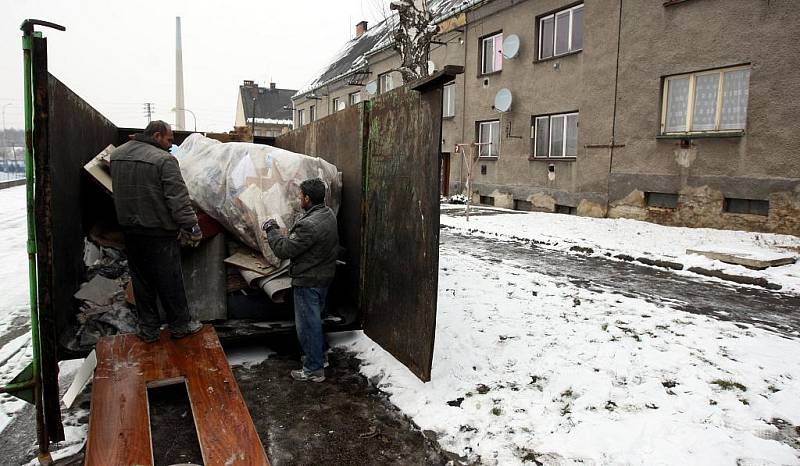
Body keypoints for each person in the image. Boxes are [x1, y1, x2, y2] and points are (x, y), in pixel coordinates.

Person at [110, 120, 203, 343]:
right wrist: (192, 227)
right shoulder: (164, 160)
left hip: (130, 231)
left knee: (141, 282)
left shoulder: (117, 155)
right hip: (159, 232)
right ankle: (180, 326)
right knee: (170, 282)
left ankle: (148, 330)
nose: (171, 145)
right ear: (157, 136)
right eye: (169, 140)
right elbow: (178, 200)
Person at [263, 178, 338, 382]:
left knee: (308, 325)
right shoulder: (328, 214)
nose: (298, 199)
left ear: (307, 198)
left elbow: (283, 250)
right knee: (315, 320)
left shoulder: (309, 225)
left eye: (300, 196)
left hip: (308, 281)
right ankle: (319, 358)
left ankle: (313, 369)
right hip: (323, 277)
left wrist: (271, 229)